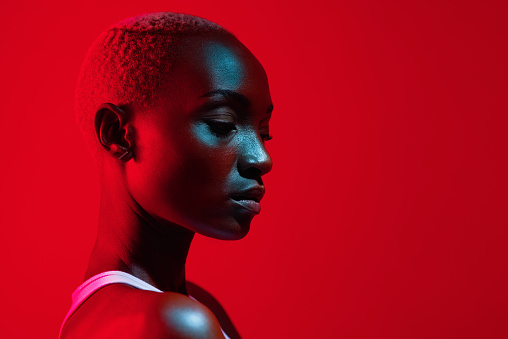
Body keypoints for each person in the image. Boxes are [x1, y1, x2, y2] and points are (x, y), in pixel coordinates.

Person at [59, 12, 274, 339]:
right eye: (222, 124)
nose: (262, 158)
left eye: (264, 132)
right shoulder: (173, 321)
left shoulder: (192, 304)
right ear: (119, 134)